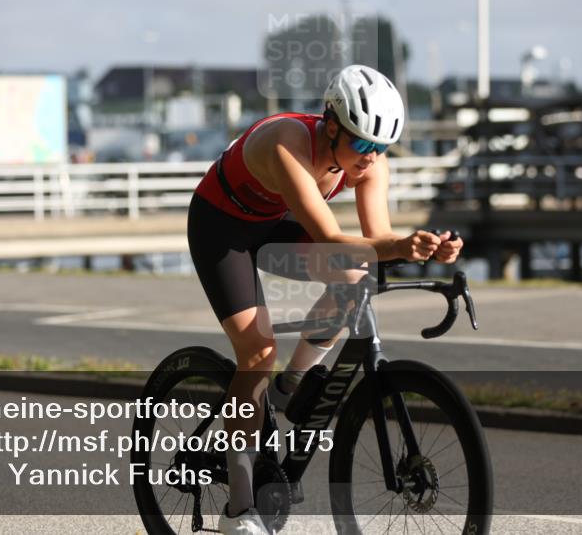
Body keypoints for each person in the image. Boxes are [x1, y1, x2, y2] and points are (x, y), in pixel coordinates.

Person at [188, 64, 463, 535]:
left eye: (381, 148)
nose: (370, 158)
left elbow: (376, 240)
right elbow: (332, 236)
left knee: (358, 274)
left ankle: (287, 389)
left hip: (272, 224)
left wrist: (427, 248)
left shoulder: (371, 165)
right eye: (362, 144)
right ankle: (237, 508)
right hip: (221, 228)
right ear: (331, 125)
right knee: (258, 351)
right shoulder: (286, 144)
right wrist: (397, 246)